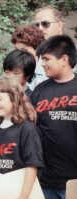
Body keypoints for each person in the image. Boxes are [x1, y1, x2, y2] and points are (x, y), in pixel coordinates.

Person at [0, 76, 43, 199]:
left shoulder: (27, 129)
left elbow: (32, 166)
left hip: (17, 192)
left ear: (14, 98)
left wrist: (24, 196)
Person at [31, 35, 77, 199]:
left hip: (74, 181)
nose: (42, 64)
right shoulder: (39, 90)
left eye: (46, 59)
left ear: (64, 59)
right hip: (46, 180)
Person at [11, 25, 46, 90]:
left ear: (37, 50)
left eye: (24, 50)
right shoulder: (13, 71)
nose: (19, 54)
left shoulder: (48, 71)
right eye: (16, 50)